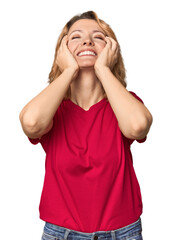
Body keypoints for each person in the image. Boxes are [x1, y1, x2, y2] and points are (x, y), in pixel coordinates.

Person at [19, 10, 153, 240]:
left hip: (123, 233)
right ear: (63, 51)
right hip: (61, 233)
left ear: (111, 50)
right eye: (76, 37)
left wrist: (103, 69)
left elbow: (138, 126)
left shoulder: (124, 104)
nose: (87, 41)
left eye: (99, 37)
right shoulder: (54, 109)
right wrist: (69, 70)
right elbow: (31, 123)